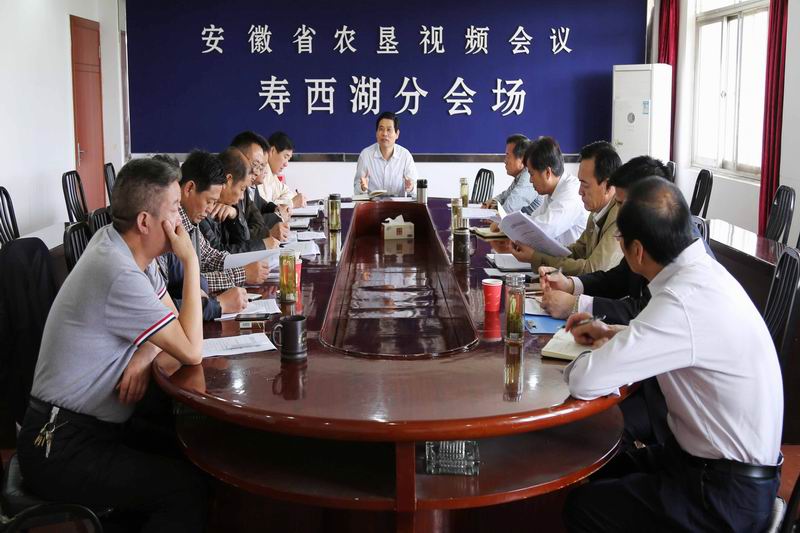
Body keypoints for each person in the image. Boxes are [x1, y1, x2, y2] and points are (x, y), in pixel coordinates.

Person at [562, 178, 783, 532]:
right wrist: (613, 333)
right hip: (718, 469)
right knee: (602, 466)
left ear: (636, 251)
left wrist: (586, 357)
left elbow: (585, 381)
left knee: (583, 506)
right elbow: (682, 340)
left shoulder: (680, 300)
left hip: (722, 495)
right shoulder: (704, 275)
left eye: (620, 239)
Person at [17, 158, 208, 531]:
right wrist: (191, 262)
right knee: (184, 490)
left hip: (91, 429)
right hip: (60, 445)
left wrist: (145, 351)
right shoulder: (118, 271)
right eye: (174, 208)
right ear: (144, 222)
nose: (180, 221)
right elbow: (190, 349)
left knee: (191, 449)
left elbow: (173, 326)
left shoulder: (123, 247)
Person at [509, 141, 622, 275]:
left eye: (585, 185)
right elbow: (577, 252)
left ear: (607, 186)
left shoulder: (620, 218)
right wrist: (536, 257)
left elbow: (592, 270)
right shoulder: (596, 212)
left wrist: (535, 257)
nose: (580, 191)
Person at [178, 150, 270, 292]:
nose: (210, 209)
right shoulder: (175, 222)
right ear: (189, 188)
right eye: (209, 201)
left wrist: (245, 267)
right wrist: (242, 274)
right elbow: (183, 283)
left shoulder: (191, 220)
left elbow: (209, 257)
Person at [494, 136, 586, 245]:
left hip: (571, 255)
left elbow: (543, 229)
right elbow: (533, 220)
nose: (530, 180)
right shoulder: (552, 192)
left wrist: (505, 225)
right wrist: (505, 224)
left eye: (532, 174)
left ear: (547, 173)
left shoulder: (571, 192)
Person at [199, 147, 280, 253]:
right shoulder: (202, 208)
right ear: (229, 180)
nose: (242, 196)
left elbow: (244, 240)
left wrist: (234, 216)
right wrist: (262, 245)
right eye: (242, 189)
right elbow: (216, 254)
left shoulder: (230, 203)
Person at [230, 130, 290, 239]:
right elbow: (240, 237)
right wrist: (269, 232)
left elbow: (257, 219)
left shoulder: (246, 188)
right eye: (256, 165)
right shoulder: (229, 193)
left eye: (262, 166)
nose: (259, 171)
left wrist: (275, 208)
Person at [353, 111, 418, 197]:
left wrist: (411, 187)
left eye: (389, 130)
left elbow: (416, 189)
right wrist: (362, 187)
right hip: (373, 204)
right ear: (376, 133)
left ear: (397, 134)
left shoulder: (405, 156)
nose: (384, 134)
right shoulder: (366, 155)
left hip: (398, 204)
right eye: (381, 129)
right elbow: (356, 189)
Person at [482, 134, 541, 213]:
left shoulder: (528, 176)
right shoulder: (520, 175)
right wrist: (492, 202)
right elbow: (504, 196)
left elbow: (509, 209)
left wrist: (494, 206)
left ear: (522, 159)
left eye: (508, 156)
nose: (505, 161)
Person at [258, 131, 306, 208]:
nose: (286, 164)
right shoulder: (259, 173)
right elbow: (263, 207)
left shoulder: (273, 176)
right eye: (285, 157)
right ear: (272, 151)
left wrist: (280, 202)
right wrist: (291, 203)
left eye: (288, 159)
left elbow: (288, 193)